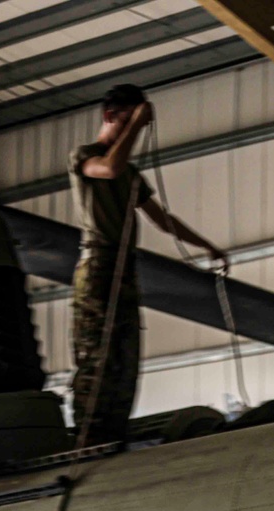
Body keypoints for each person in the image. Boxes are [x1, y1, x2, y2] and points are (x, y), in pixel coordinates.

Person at [70, 85, 227, 447]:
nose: (132, 129)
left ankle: (112, 433)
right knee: (97, 354)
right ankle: (86, 436)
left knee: (124, 356)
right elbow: (107, 169)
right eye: (125, 120)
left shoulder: (131, 175)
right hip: (97, 265)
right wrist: (137, 125)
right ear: (110, 117)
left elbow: (162, 219)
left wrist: (207, 246)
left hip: (123, 268)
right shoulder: (85, 156)